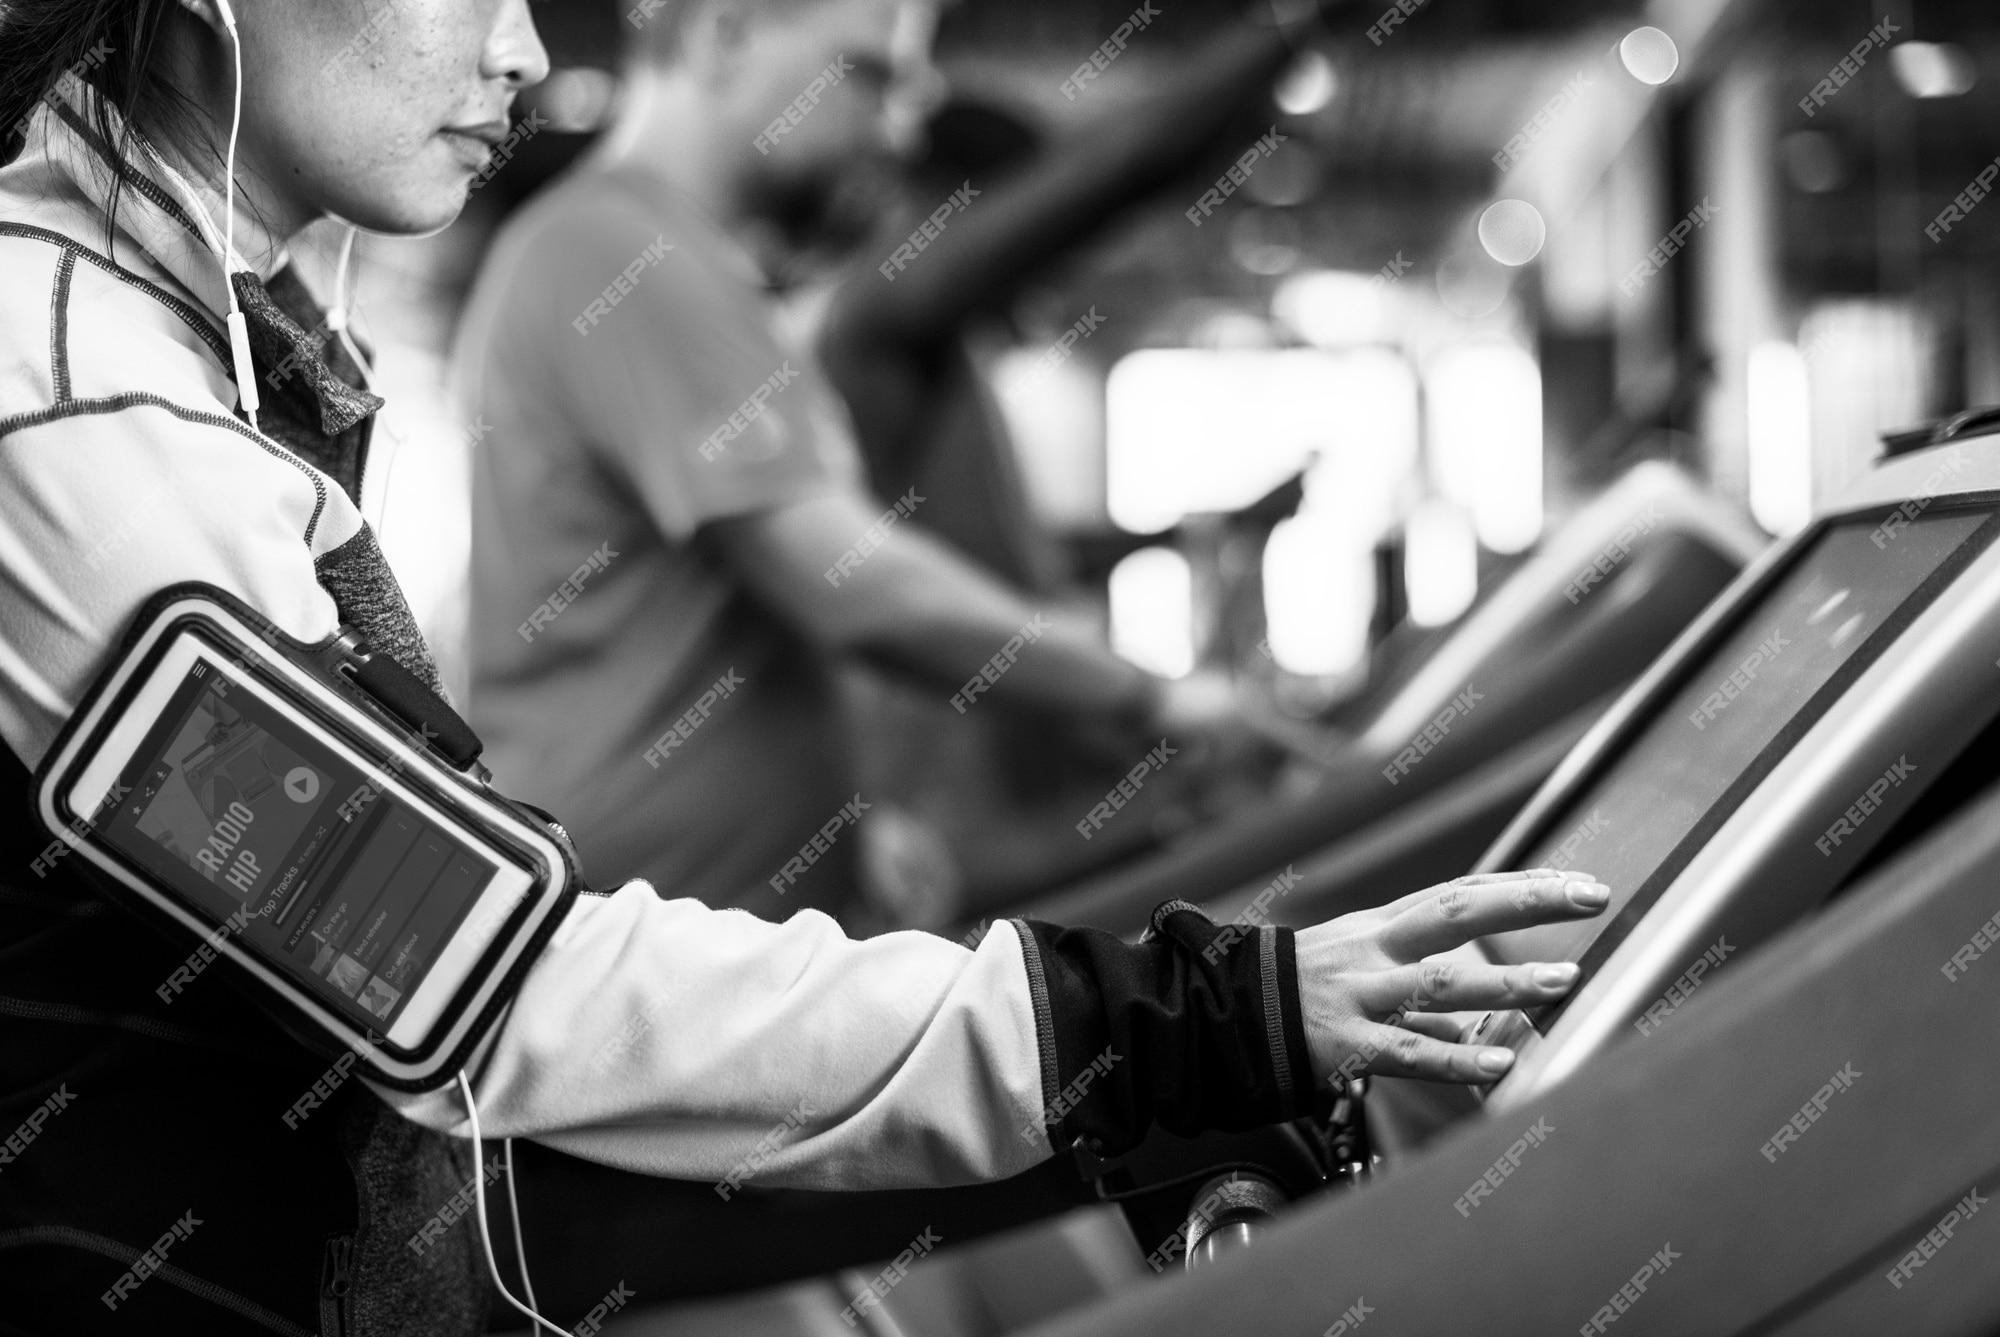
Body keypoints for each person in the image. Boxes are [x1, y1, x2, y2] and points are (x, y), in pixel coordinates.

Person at [0, 0, 1606, 1332]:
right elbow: (474, 981)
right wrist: (1180, 1018)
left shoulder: (181, 356)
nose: (518, 51)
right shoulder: (80, 413)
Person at [459, 0, 1265, 925]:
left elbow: (746, 617)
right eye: (869, 75)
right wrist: (1144, 692)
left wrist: (855, 818)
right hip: (642, 946)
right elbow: (849, 586)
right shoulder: (616, 253)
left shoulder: (688, 269)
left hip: (701, 933)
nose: (895, 123)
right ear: (725, 38)